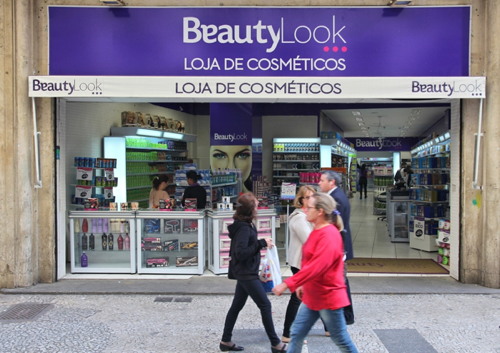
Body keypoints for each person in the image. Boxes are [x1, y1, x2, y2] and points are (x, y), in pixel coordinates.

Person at [272, 192, 358, 353]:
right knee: (296, 333)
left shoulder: (329, 235)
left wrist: (288, 283)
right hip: (314, 295)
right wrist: (303, 283)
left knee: (340, 339)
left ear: (320, 212)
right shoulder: (317, 230)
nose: (305, 210)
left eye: (309, 207)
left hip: (327, 296)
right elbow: (310, 263)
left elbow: (317, 266)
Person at [220, 193, 287, 353]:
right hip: (246, 272)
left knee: (236, 306)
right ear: (250, 210)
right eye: (256, 206)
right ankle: (275, 343)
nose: (258, 208)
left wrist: (261, 244)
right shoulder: (243, 228)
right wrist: (261, 243)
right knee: (265, 304)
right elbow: (240, 253)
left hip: (245, 271)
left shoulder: (245, 224)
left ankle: (225, 341)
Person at [318, 170, 355, 326]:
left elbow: (336, 226)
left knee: (340, 281)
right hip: (338, 246)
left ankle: (346, 315)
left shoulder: (336, 199)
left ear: (331, 182)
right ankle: (339, 313)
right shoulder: (336, 195)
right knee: (339, 280)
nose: (319, 183)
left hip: (338, 247)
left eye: (322, 180)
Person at [281, 185, 316, 343]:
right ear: (301, 199)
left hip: (306, 262)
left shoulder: (308, 215)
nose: (311, 200)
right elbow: (310, 240)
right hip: (301, 263)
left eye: (313, 196)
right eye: (307, 197)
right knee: (298, 297)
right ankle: (289, 333)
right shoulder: (299, 217)